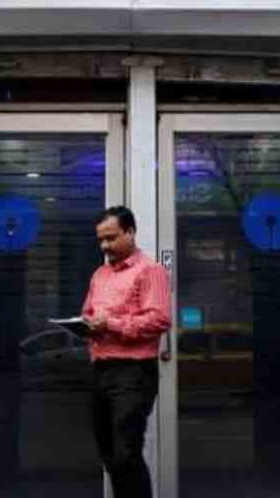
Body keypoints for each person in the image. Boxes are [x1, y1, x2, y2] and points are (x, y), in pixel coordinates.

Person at [82, 206, 172, 498]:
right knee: (109, 453)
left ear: (130, 232)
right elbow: (89, 314)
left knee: (125, 453)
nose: (104, 245)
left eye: (111, 237)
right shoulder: (100, 274)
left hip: (133, 373)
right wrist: (84, 325)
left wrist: (111, 324)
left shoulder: (150, 271)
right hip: (101, 370)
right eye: (100, 239)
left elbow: (159, 319)